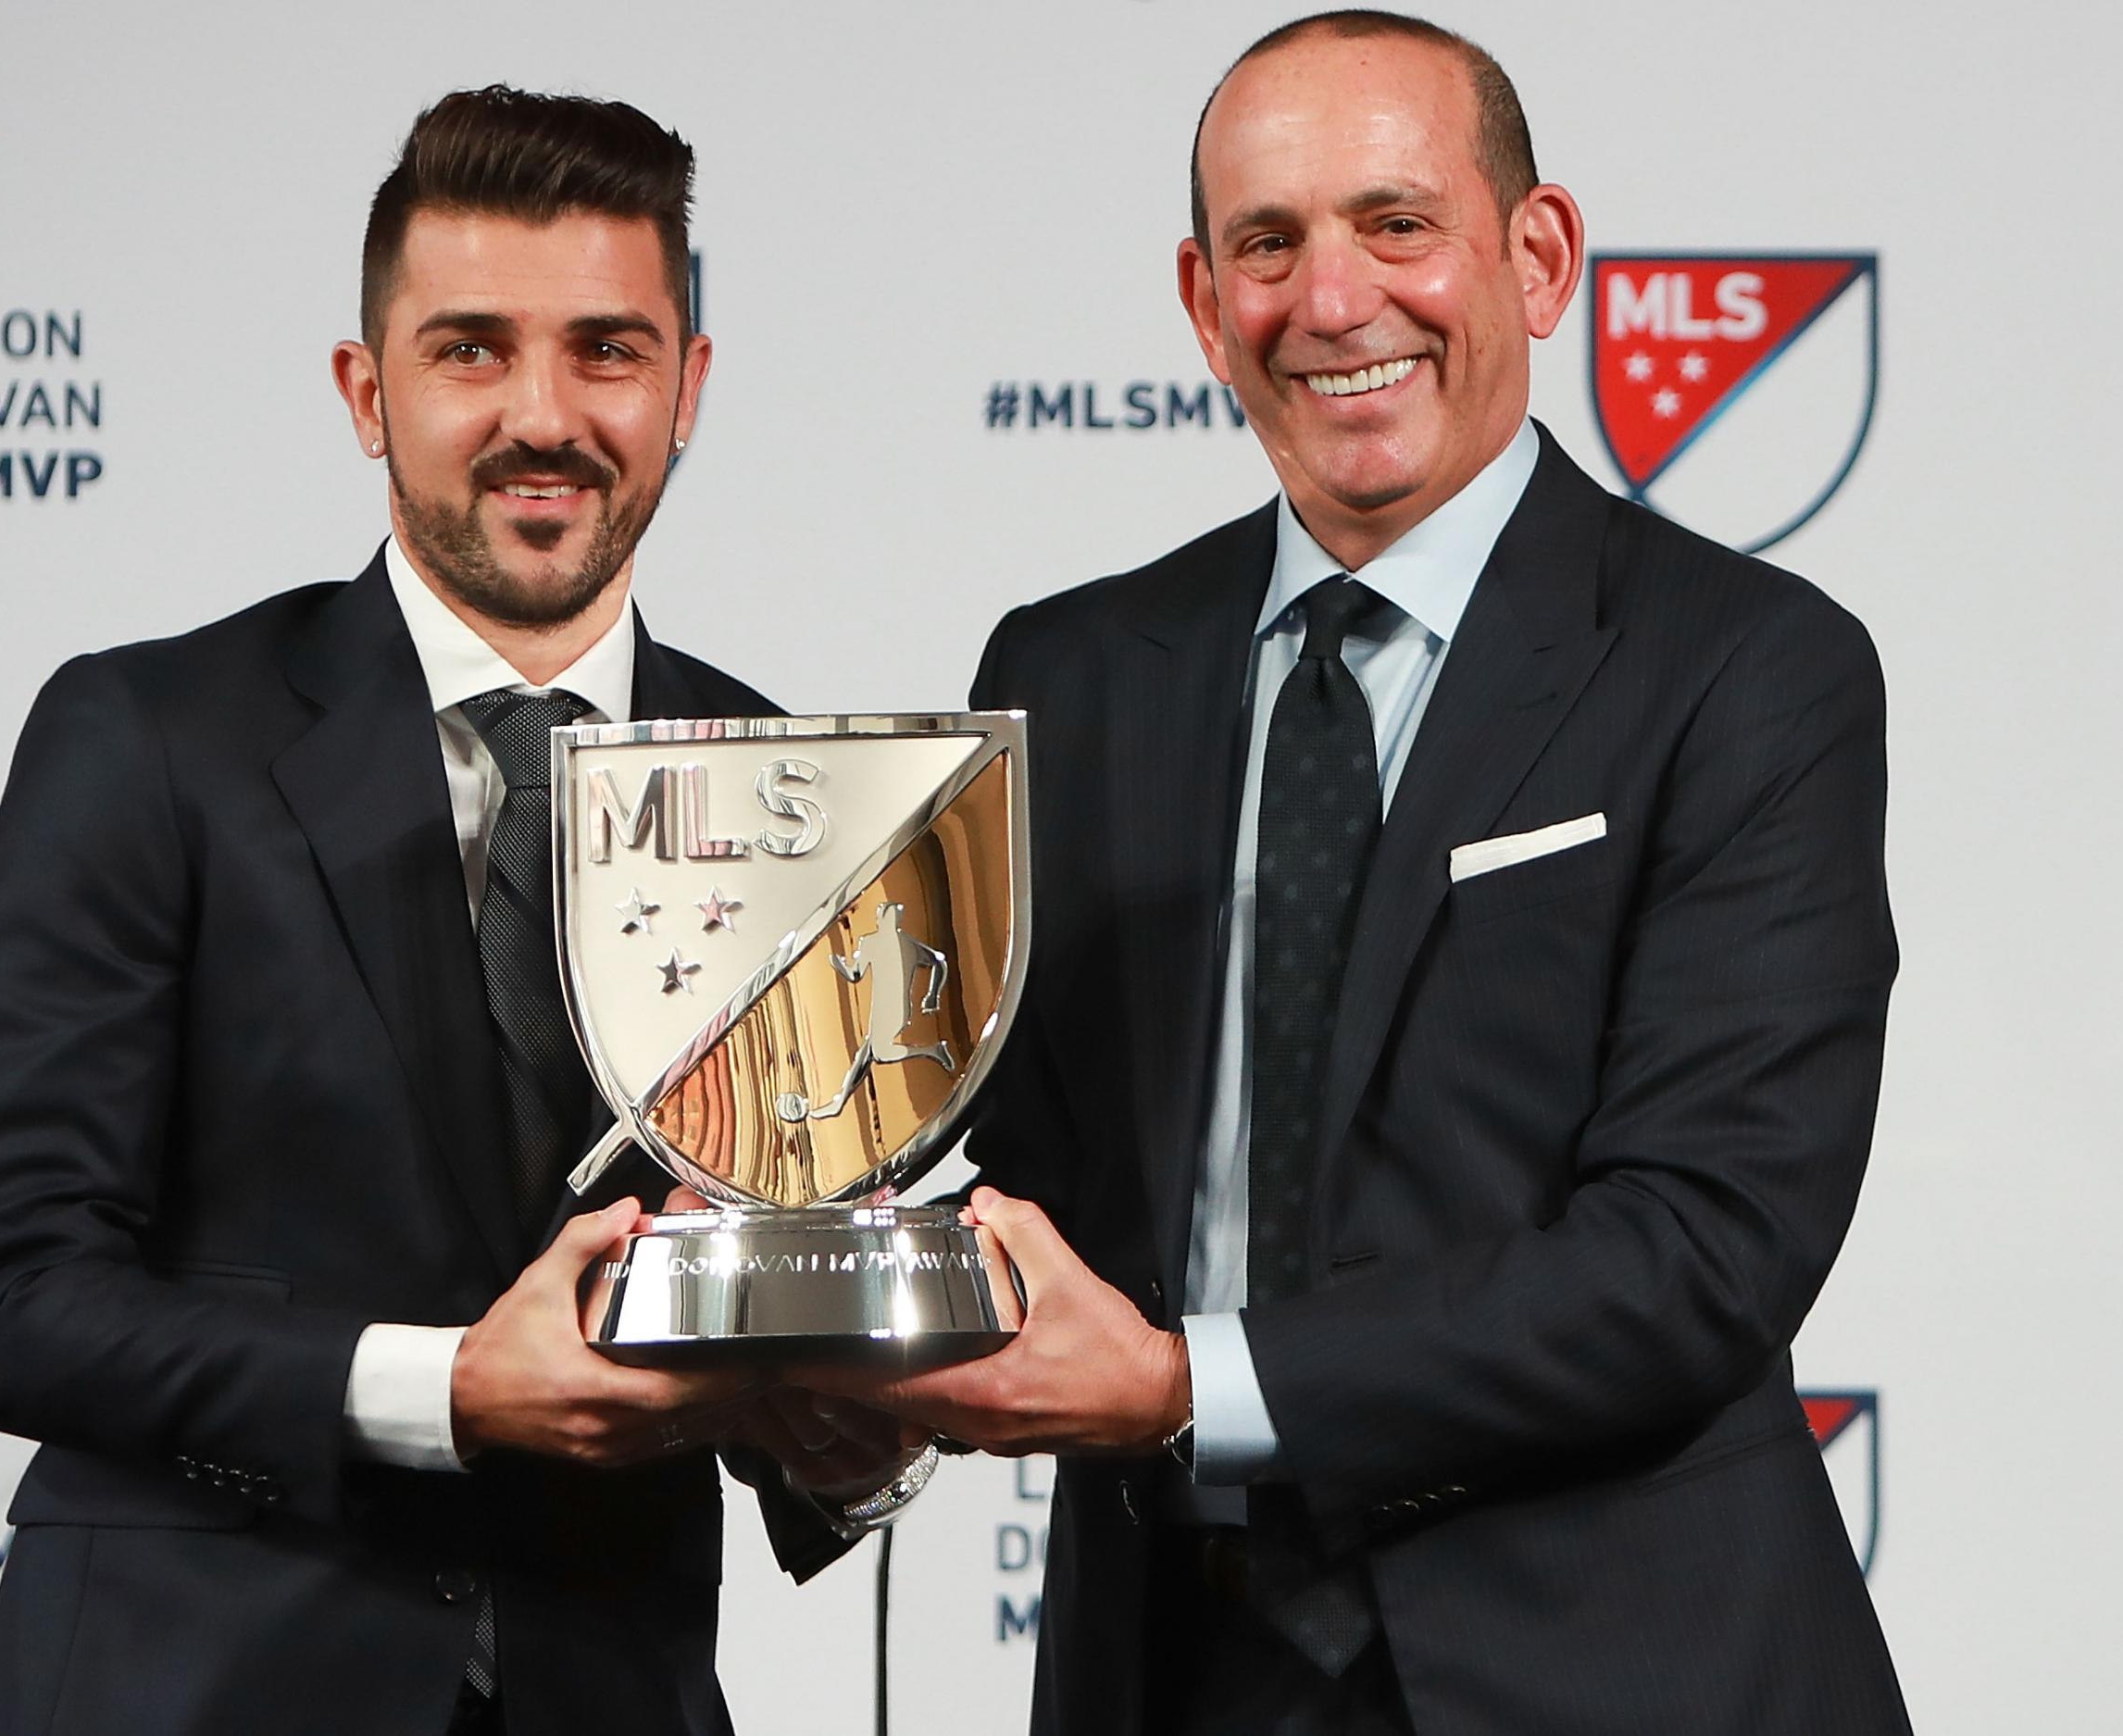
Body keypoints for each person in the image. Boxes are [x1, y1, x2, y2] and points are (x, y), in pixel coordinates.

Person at [816, 13, 1913, 1735]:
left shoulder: (1746, 668)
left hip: (1619, 1672)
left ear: (1535, 257)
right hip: (1170, 1672)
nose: (1332, 303)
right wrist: (825, 1364)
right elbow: (1020, 1176)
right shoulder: (1074, 672)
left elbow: (1699, 1250)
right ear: (1202, 303)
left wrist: (1192, 1387)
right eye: (1269, 244)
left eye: (1395, 224)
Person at [0, 86, 917, 1736]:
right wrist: (443, 1389)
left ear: (690, 389)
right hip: (184, 1690)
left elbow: (763, 1298)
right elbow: (15, 1297)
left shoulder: (788, 788)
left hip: (613, 1689)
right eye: (471, 350)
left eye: (608, 348)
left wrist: (848, 1441)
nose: (544, 412)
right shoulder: (149, 736)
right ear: (365, 391)